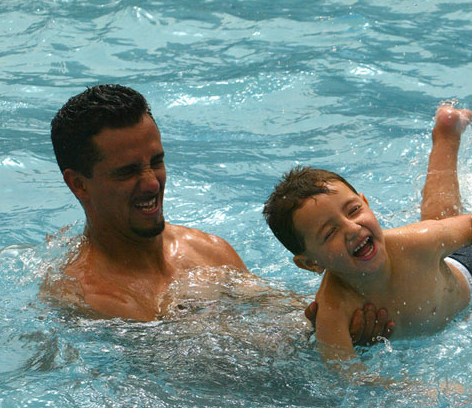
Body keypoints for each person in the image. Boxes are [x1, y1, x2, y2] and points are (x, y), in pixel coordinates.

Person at [42, 84, 392, 343]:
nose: (151, 183)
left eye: (157, 162)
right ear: (79, 184)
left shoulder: (209, 251)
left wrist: (344, 326)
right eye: (127, 172)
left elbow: (294, 316)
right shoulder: (81, 299)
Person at [263, 105, 472, 371]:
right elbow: (348, 377)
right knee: (436, 219)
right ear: (310, 263)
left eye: (353, 210)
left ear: (366, 202)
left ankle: (447, 136)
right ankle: (447, 134)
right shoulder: (334, 310)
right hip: (443, 298)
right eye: (329, 232)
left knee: (438, 221)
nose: (351, 228)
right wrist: (406, 390)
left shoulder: (410, 244)